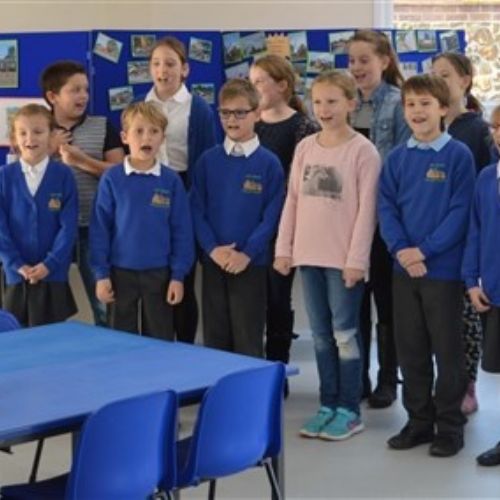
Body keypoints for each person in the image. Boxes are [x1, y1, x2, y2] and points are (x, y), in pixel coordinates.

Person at [274, 70, 381, 440]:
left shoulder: (363, 151)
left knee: (345, 334)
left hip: (343, 260)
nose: (324, 109)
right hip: (308, 255)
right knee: (320, 335)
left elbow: (367, 211)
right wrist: (284, 248)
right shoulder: (306, 147)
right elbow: (292, 200)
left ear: (351, 103)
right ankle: (327, 403)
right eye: (318, 101)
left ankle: (349, 409)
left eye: (332, 101)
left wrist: (357, 260)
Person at [379, 74, 475, 457]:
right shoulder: (397, 158)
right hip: (404, 270)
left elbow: (460, 211)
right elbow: (386, 207)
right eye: (411, 104)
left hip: (443, 272)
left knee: (447, 351)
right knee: (411, 349)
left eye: (425, 104)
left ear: (443, 109)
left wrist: (425, 251)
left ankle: (449, 426)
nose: (417, 111)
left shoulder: (458, 156)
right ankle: (419, 421)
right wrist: (402, 250)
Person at [190, 78, 284, 358]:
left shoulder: (269, 163)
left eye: (240, 112)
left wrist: (247, 253)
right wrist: (212, 249)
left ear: (257, 114)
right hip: (214, 262)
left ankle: (250, 388)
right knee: (215, 337)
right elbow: (196, 209)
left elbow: (271, 216)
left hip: (251, 264)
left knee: (248, 337)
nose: (232, 120)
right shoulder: (207, 161)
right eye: (225, 112)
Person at [90, 101, 194, 340]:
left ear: (163, 138)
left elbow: (182, 232)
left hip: (160, 274)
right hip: (119, 274)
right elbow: (100, 230)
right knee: (121, 341)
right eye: (138, 131)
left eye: (154, 131)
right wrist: (101, 274)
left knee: (159, 339)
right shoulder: (112, 179)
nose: (146, 137)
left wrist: (178, 276)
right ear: (124, 137)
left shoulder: (171, 181)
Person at [348, 29, 411, 408]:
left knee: (387, 305)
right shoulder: (346, 102)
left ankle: (388, 379)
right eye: (352, 60)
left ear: (384, 61)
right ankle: (358, 378)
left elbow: (400, 166)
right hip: (349, 220)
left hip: (384, 221)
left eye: (364, 60)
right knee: (354, 303)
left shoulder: (399, 103)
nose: (356, 67)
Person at [143, 36, 217, 344]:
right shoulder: (141, 107)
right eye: (156, 63)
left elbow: (206, 164)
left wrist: (191, 202)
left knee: (182, 275)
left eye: (171, 64)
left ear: (184, 69)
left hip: (184, 192)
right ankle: (157, 347)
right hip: (148, 193)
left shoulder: (197, 109)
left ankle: (185, 348)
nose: (163, 70)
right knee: (153, 277)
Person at [40, 60, 125, 326]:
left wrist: (81, 161)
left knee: (105, 305)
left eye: (85, 89)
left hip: (95, 227)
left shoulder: (103, 126)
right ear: (53, 96)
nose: (84, 96)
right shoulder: (36, 128)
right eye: (75, 90)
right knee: (47, 305)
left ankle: (111, 349)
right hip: (50, 230)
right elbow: (20, 175)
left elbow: (121, 174)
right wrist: (48, 150)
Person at [248, 54, 319, 374]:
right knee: (253, 299)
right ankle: (252, 366)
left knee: (278, 299)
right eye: (251, 83)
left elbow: (299, 182)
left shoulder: (303, 126)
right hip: (251, 227)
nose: (254, 88)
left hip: (283, 227)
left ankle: (278, 368)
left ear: (282, 85)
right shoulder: (250, 123)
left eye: (259, 82)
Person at [432, 52, 492, 415]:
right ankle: (443, 384)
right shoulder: (431, 127)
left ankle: (467, 384)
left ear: (465, 81)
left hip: (467, 239)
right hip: (434, 240)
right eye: (433, 75)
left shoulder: (478, 130)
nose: (437, 81)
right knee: (439, 322)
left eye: (445, 75)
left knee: (466, 319)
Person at [0, 104, 78, 326]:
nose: (30, 139)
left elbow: (68, 227)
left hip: (53, 273)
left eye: (38, 131)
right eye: (22, 133)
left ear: (52, 135)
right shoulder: (5, 177)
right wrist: (16, 264)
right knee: (17, 335)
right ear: (14, 138)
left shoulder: (63, 175)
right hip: (16, 274)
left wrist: (50, 264)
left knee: (53, 336)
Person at [463, 103, 500, 466]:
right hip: (494, 291)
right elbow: (474, 231)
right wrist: (472, 281)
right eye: (497, 127)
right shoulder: (487, 178)